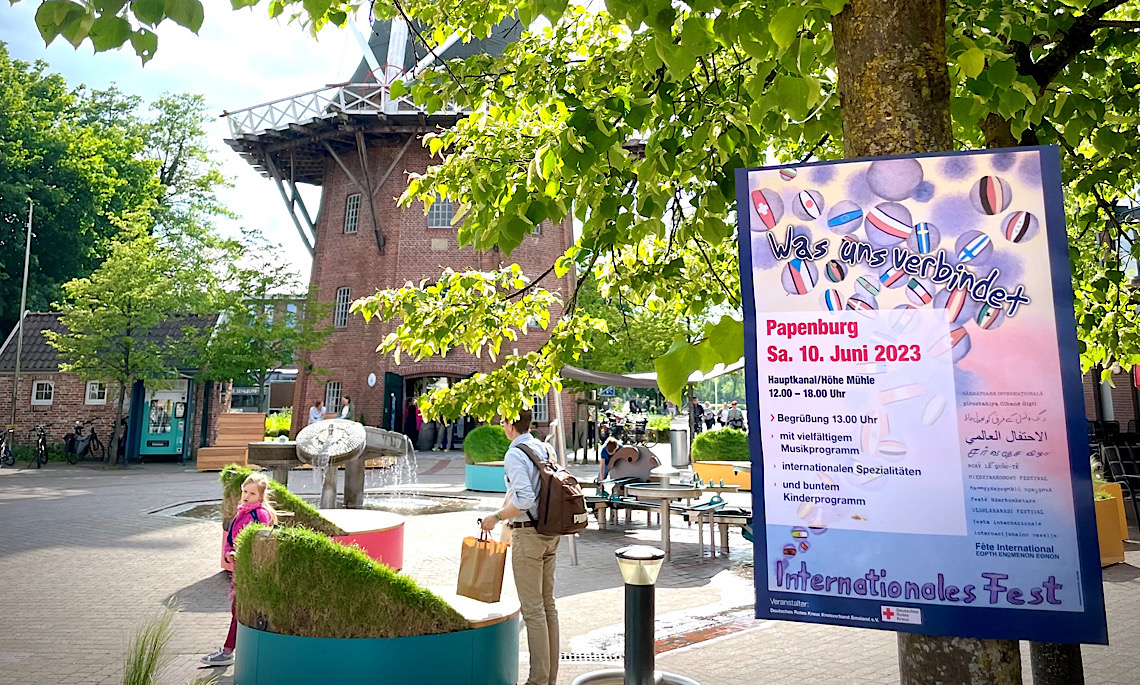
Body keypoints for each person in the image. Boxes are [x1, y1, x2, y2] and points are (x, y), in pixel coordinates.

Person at [480, 409, 559, 685]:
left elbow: (524, 499)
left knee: (534, 610)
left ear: (511, 424)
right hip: (551, 532)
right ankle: (549, 678)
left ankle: (537, 680)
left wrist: (496, 517)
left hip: (528, 536)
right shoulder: (545, 448)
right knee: (548, 606)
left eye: (502, 421)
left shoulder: (515, 454)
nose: (501, 426)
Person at [202, 472, 279, 667]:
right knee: (242, 610)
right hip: (241, 570)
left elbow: (259, 544)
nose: (246, 496)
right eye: (245, 491)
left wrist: (240, 554)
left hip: (253, 572)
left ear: (260, 496)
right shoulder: (243, 511)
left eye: (252, 493)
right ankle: (245, 650)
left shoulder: (259, 514)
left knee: (241, 610)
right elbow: (232, 538)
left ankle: (229, 652)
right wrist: (230, 552)